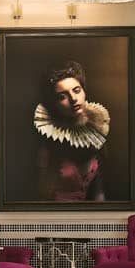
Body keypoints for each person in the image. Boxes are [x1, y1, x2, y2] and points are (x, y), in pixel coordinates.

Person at [34, 60, 109, 202]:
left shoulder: (96, 134)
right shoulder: (47, 144)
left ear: (84, 91)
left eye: (76, 90)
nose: (73, 99)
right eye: (62, 96)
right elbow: (41, 195)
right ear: (54, 104)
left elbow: (99, 191)